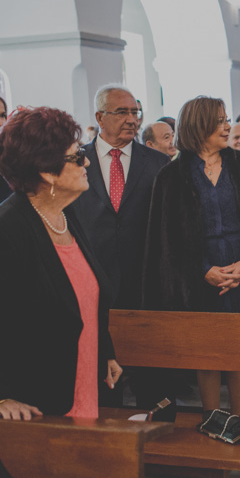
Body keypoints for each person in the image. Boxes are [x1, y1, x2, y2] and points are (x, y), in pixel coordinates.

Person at [0, 107, 122, 419]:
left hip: (81, 379)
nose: (86, 162)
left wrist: (103, 351)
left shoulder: (65, 213)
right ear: (46, 171)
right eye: (76, 156)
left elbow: (83, 295)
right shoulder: (4, 232)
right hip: (37, 401)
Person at [142, 97, 240, 415]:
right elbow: (168, 237)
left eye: (226, 119)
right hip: (200, 278)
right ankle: (213, 420)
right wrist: (202, 270)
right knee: (207, 356)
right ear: (197, 126)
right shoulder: (172, 176)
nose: (226, 125)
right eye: (218, 120)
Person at [70, 84, 170, 310]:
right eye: (122, 112)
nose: (132, 120)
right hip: (92, 277)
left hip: (146, 280)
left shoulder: (158, 164)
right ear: (100, 117)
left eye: (135, 113)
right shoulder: (75, 162)